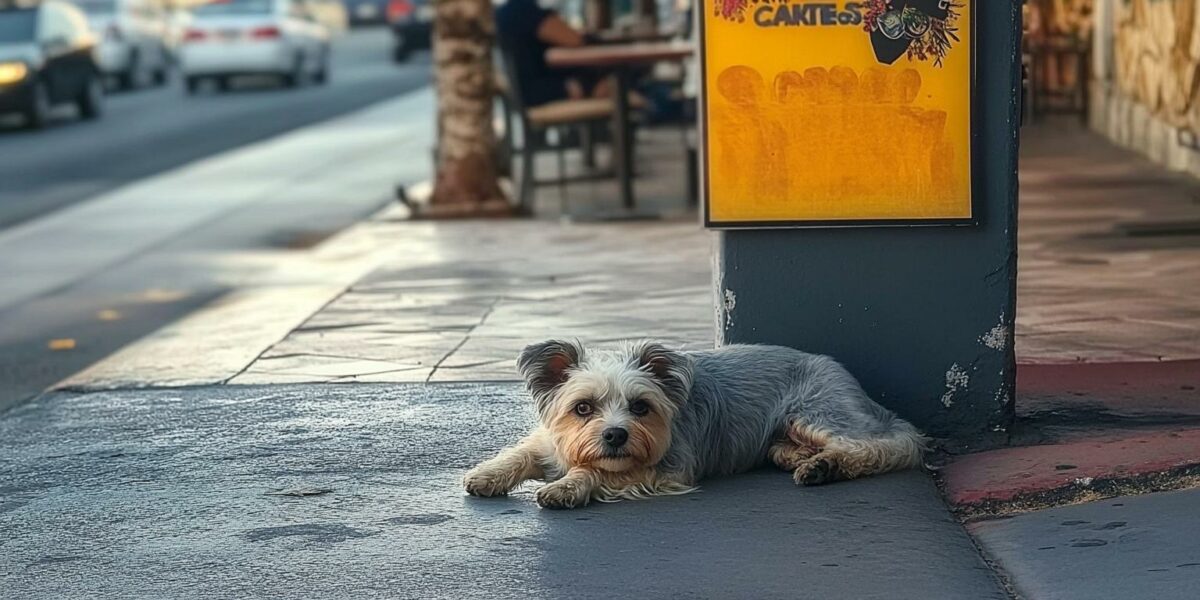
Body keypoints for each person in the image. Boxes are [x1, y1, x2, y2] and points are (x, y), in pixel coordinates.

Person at [495, 0, 609, 107]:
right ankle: (617, 120)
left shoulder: (504, 13)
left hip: (523, 93)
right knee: (610, 77)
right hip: (544, 91)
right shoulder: (523, 10)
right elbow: (574, 40)